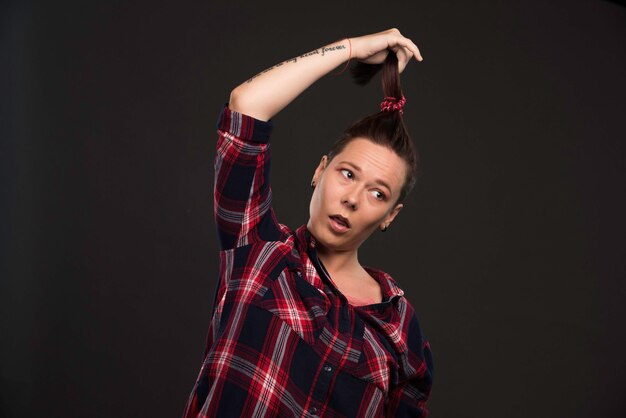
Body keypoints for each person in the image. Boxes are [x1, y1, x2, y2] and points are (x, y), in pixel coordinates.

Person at [183, 28, 434, 418]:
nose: (351, 198)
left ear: (390, 216)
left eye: (378, 193)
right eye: (347, 174)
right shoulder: (260, 252)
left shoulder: (400, 330)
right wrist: (350, 49)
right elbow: (246, 105)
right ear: (321, 170)